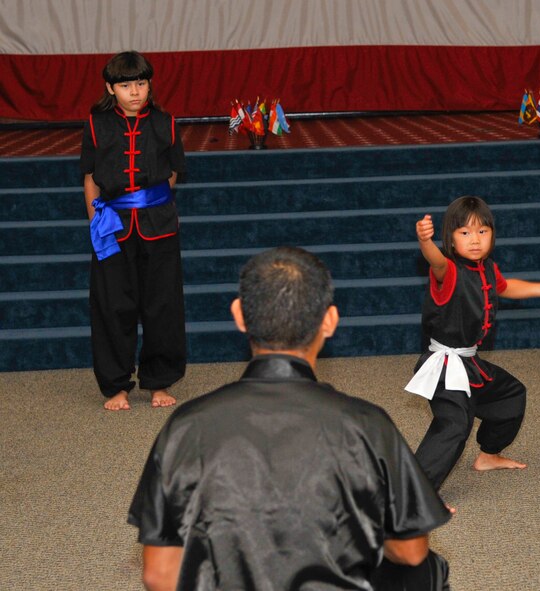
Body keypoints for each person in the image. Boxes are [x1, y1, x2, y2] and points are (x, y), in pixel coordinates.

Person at [128, 246, 452, 591]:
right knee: (428, 569)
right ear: (329, 321)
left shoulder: (186, 424)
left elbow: (158, 575)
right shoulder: (367, 423)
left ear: (239, 315)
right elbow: (411, 550)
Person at [406, 196, 540, 493]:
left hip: (470, 363)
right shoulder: (447, 269)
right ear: (450, 238)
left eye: (483, 232)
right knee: (455, 425)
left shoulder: (486, 268)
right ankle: (418, 495)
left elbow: (505, 287)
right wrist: (425, 241)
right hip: (445, 366)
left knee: (510, 396)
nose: (475, 240)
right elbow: (434, 259)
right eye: (465, 233)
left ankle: (488, 455)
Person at [80, 51, 187, 410]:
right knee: (113, 306)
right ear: (111, 88)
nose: (135, 91)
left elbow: (173, 173)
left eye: (141, 83)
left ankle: (159, 382)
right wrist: (97, 221)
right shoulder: (96, 125)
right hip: (112, 226)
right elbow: (91, 178)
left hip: (159, 226)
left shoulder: (165, 123)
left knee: (162, 305)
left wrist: (154, 203)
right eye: (126, 85)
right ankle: (117, 386)